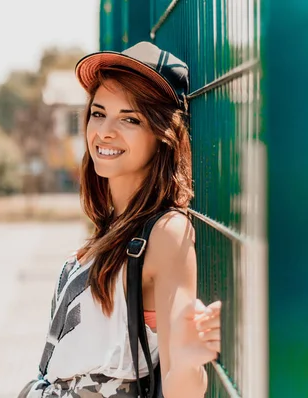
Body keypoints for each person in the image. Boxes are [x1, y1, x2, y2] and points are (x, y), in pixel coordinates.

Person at [18, 41, 222, 398]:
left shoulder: (166, 232)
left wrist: (190, 360)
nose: (105, 131)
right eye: (99, 113)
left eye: (130, 118)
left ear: (163, 134)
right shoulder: (114, 224)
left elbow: (180, 381)